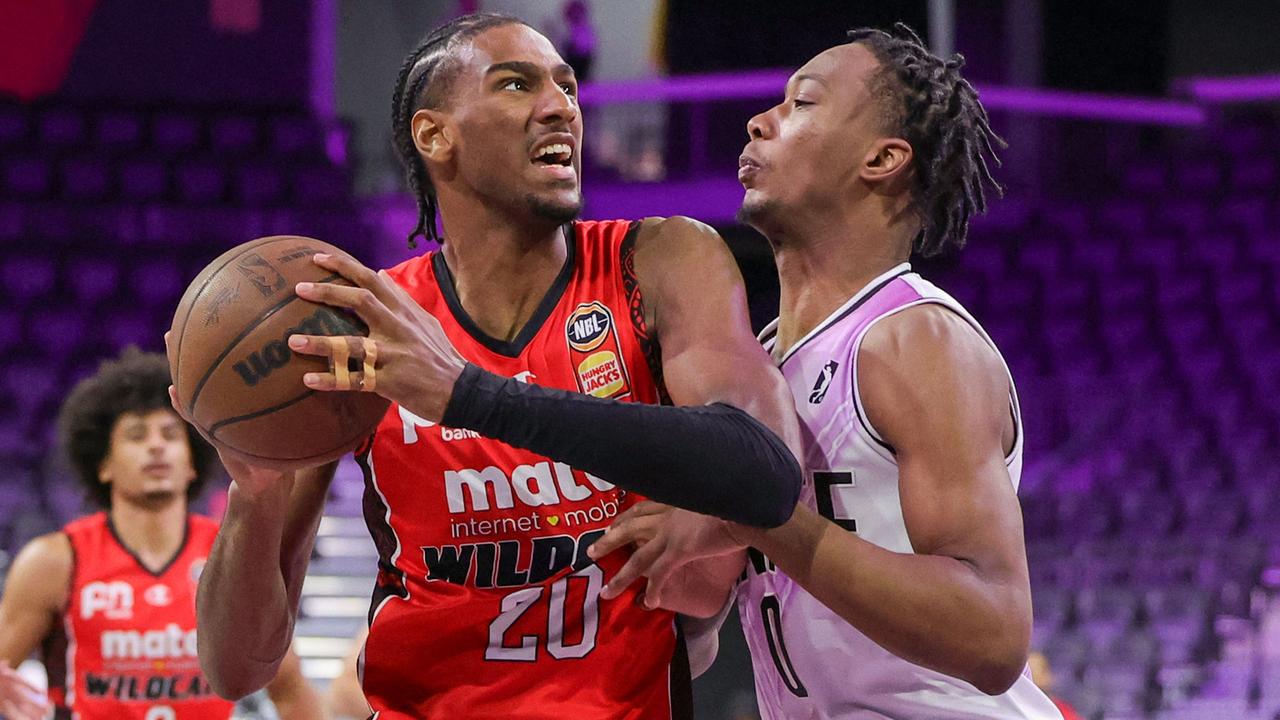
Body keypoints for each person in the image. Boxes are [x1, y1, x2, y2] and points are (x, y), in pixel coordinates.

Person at [186, 12, 802, 720]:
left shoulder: (660, 259)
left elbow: (771, 472)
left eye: (567, 88)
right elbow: (236, 668)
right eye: (517, 84)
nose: (560, 106)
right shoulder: (367, 325)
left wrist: (710, 525)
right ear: (434, 134)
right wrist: (256, 497)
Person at [589, 23, 1068, 719]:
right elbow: (711, 607)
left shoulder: (914, 337)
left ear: (882, 158)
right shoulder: (762, 358)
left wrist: (758, 519)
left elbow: (991, 633)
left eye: (802, 104)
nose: (759, 120)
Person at [0, 348, 322, 720]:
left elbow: (291, 691)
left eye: (170, 435)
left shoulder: (232, 553)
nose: (156, 446)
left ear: (191, 462)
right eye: (137, 436)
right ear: (103, 464)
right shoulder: (55, 560)